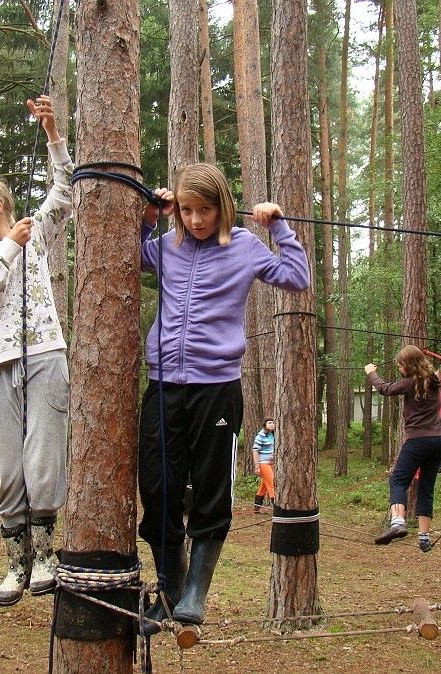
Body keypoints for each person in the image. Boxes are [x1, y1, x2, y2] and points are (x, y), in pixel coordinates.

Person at [137, 164, 310, 635]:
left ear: (223, 206)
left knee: (211, 487)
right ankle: (168, 589)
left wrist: (278, 225)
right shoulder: (168, 248)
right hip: (163, 384)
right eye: (188, 210)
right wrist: (151, 215)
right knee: (157, 487)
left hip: (216, 388)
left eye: (206, 210)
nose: (196, 220)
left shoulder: (245, 247)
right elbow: (129, 256)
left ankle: (196, 590)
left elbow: (297, 277)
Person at [0, 95, 71, 607]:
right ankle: (16, 561)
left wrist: (52, 133)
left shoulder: (34, 233)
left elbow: (65, 192)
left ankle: (47, 555)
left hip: (46, 355)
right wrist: (10, 246)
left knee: (42, 459)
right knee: (5, 467)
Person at [365, 345, 441, 553]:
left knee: (398, 479)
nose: (400, 368)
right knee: (426, 488)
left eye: (401, 365)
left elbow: (385, 389)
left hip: (418, 440)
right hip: (438, 440)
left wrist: (371, 373)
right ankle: (424, 537)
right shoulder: (435, 380)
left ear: (408, 365)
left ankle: (398, 522)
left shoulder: (411, 383)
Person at [251, 418, 276, 513]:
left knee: (264, 486)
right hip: (263, 463)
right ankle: (278, 510)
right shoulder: (260, 436)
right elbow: (255, 450)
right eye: (269, 423)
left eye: (273, 423)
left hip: (272, 463)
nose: (272, 424)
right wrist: (257, 466)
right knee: (272, 483)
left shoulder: (272, 435)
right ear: (264, 425)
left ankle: (256, 507)